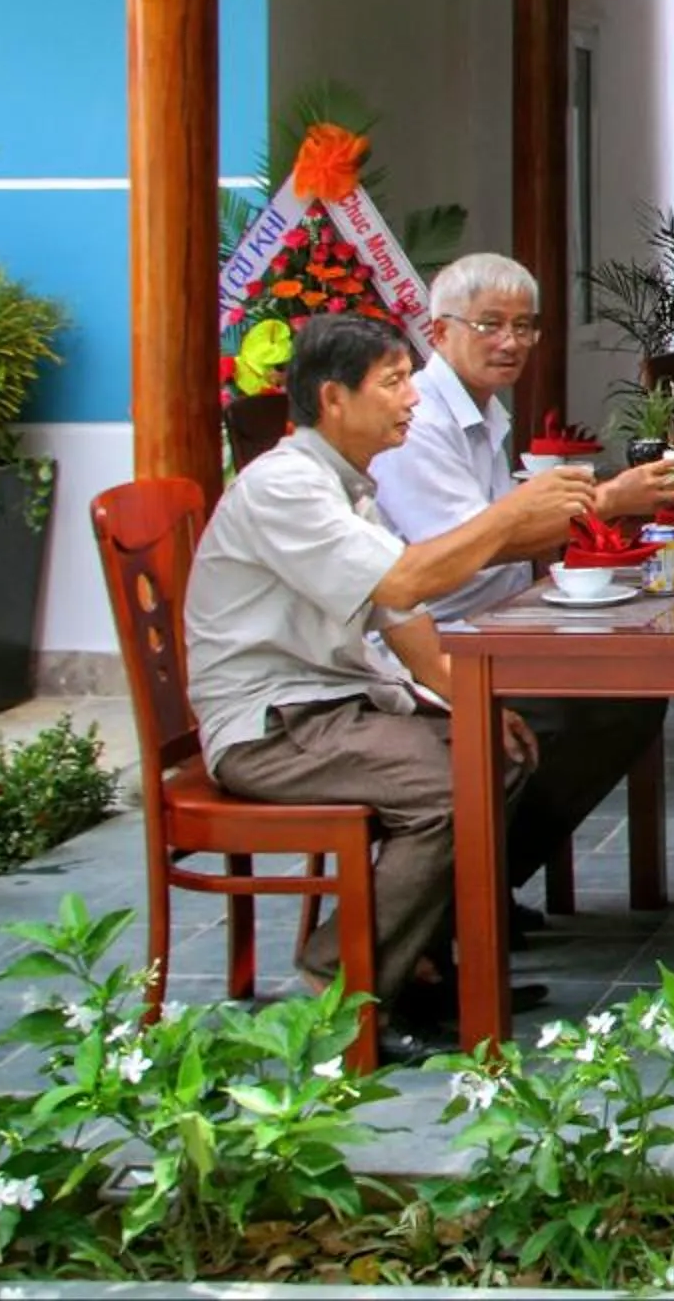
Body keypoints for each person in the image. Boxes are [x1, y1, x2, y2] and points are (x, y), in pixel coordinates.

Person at [185, 312, 597, 1059]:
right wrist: (510, 516)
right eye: (395, 382)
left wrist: (468, 702)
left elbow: (404, 620)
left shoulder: (350, 488)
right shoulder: (286, 486)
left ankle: (419, 962)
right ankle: (332, 984)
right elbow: (408, 578)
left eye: (410, 379)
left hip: (331, 707)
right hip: (270, 724)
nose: (412, 398)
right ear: (334, 398)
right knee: (447, 786)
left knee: (495, 752)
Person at [368, 252, 674, 935]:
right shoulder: (418, 422)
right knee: (578, 711)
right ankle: (452, 901)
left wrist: (598, 507)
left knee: (629, 698)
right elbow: (471, 547)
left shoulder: (484, 410)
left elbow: (515, 527)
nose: (510, 342)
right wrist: (607, 500)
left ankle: (479, 881)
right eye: (490, 325)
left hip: (493, 626)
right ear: (438, 331)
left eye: (525, 327)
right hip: (424, 644)